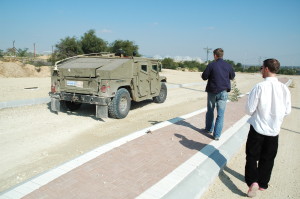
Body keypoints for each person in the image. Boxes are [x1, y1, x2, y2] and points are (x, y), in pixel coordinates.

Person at [245, 58, 291, 198]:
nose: (261, 71)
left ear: (266, 69)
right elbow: (287, 110)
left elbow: (249, 109)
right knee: (268, 157)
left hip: (258, 127)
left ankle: (253, 182)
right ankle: (263, 183)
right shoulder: (284, 88)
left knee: (252, 156)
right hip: (274, 129)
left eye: (261, 68)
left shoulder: (259, 87)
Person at [201, 48, 235, 140]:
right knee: (220, 114)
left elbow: (204, 77)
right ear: (222, 55)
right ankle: (216, 135)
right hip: (223, 92)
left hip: (212, 92)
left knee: (210, 111)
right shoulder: (228, 66)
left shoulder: (211, 65)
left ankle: (208, 129)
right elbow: (232, 77)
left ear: (215, 55)